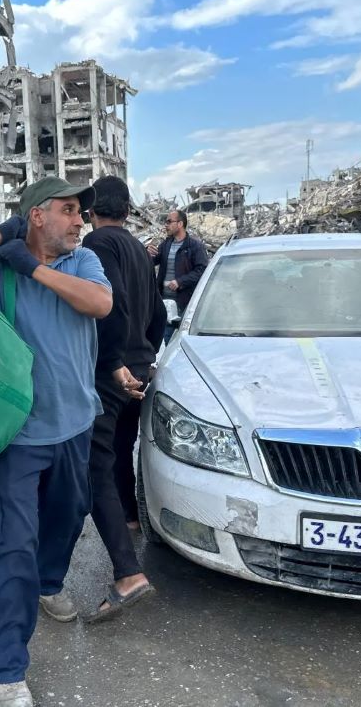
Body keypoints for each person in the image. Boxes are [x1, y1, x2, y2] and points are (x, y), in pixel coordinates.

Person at [0, 177, 112, 707]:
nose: (80, 221)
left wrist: (33, 268)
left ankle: (49, 582)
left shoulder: (82, 262)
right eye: (69, 210)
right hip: (16, 436)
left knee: (68, 518)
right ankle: (6, 670)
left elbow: (100, 304)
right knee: (13, 548)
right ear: (37, 216)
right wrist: (0, 236)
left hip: (76, 425)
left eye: (80, 212)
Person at [81, 176, 166, 623]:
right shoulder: (137, 248)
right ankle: (131, 517)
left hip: (113, 372)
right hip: (140, 366)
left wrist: (115, 362)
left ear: (90, 211)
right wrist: (144, 356)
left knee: (95, 466)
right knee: (121, 449)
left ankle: (128, 573)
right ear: (128, 211)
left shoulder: (96, 244)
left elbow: (107, 306)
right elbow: (159, 313)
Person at [148, 210, 209, 339]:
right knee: (167, 338)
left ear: (180, 224)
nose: (166, 225)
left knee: (183, 339)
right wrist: (146, 253)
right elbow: (151, 262)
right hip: (165, 302)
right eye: (166, 222)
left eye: (169, 222)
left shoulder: (195, 246)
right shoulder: (165, 245)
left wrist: (180, 282)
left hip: (185, 303)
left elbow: (202, 270)